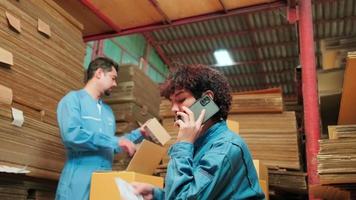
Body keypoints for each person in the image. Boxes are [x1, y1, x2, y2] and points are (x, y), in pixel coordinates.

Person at [132, 64, 265, 199]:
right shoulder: (197, 143)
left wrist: (183, 144)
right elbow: (193, 190)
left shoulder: (225, 148)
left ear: (206, 100)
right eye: (171, 102)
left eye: (181, 99)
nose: (173, 108)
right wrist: (157, 194)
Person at [55, 57, 146, 200]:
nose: (115, 84)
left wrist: (138, 133)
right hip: (78, 182)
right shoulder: (73, 100)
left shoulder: (108, 112)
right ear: (99, 73)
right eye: (113, 78)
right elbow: (72, 135)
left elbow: (113, 146)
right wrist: (117, 141)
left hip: (103, 181)